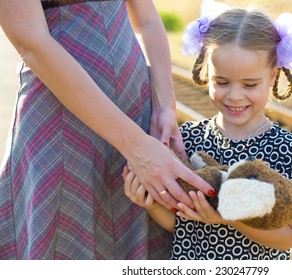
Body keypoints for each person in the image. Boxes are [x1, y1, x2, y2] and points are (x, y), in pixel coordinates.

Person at [0, 0, 215, 260]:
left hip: (137, 112)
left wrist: (165, 105)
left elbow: (146, 18)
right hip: (62, 125)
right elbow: (33, 44)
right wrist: (137, 147)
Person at [123, 0, 292, 260]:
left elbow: (288, 237)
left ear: (272, 76)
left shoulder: (287, 149)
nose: (235, 96)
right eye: (221, 82)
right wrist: (151, 205)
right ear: (207, 72)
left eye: (249, 84)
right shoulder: (188, 138)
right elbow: (184, 227)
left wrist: (228, 217)